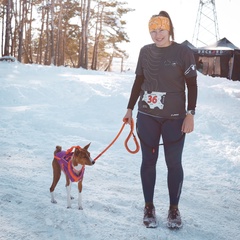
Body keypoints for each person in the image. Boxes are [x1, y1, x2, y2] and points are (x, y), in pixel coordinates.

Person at [123, 10, 197, 229]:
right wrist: (129, 109)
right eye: (153, 31)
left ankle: (174, 209)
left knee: (173, 163)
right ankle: (149, 207)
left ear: (169, 29)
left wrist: (190, 113)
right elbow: (138, 81)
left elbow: (192, 84)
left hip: (174, 118)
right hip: (147, 116)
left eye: (161, 30)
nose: (157, 35)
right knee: (148, 161)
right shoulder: (145, 52)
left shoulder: (183, 52)